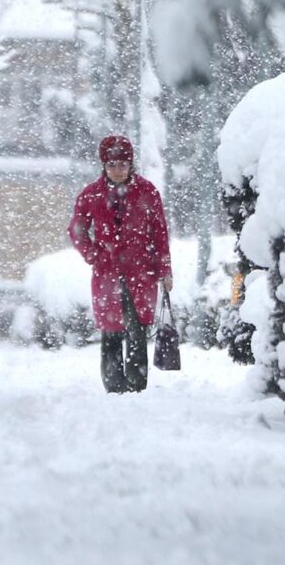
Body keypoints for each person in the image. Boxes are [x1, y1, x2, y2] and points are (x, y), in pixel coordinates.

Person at [68, 135, 172, 393]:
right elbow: (77, 231)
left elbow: (160, 233)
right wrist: (94, 255)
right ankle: (114, 387)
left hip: (141, 272)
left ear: (131, 164)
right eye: (112, 164)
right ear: (104, 165)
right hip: (107, 274)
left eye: (123, 164)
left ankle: (137, 385)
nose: (117, 170)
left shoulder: (147, 192)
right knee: (112, 331)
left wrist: (164, 269)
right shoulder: (91, 195)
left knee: (137, 331)